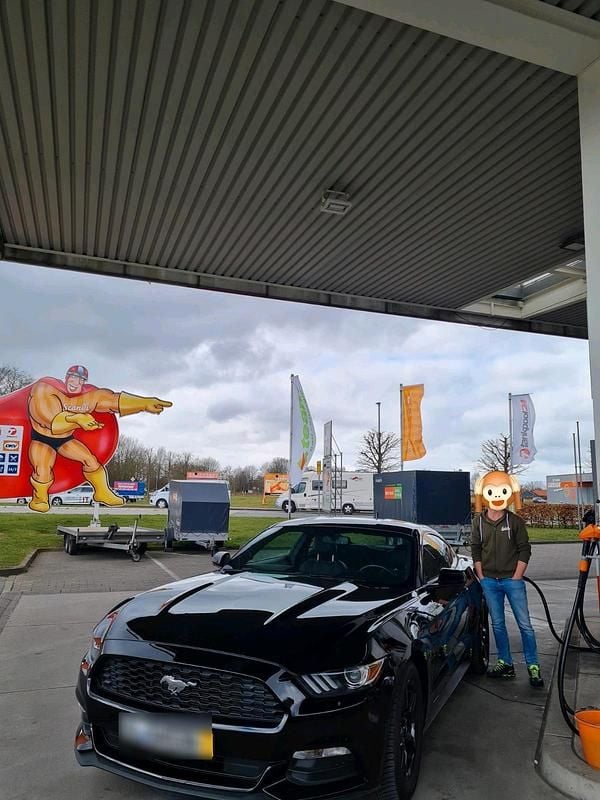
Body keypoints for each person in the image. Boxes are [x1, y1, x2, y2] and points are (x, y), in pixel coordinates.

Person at [27, 365, 171, 512]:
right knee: (42, 469)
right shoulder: (46, 389)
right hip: (42, 439)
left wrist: (144, 403)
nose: (76, 382)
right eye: (73, 377)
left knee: (90, 460)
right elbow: (47, 419)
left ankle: (102, 492)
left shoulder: (89, 396)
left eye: (81, 379)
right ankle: (40, 499)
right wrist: (76, 418)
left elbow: (113, 400)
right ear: (66, 377)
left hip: (65, 439)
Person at [472, 470, 544, 688]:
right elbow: (475, 549)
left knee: (525, 625)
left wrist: (517, 576)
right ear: (484, 495)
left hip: (512, 582)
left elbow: (524, 549)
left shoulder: (515, 522)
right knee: (498, 625)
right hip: (489, 582)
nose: (497, 497)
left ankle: (533, 666)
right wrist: (482, 575)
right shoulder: (479, 523)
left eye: (502, 491)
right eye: (491, 492)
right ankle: (505, 662)